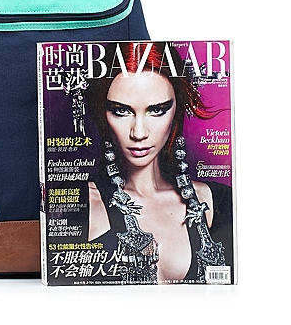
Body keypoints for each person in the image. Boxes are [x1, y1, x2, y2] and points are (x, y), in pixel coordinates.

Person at [84, 42, 233, 284]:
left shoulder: (219, 201)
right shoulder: (80, 205)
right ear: (103, 112)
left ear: (177, 109)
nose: (139, 132)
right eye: (121, 111)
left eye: (157, 110)